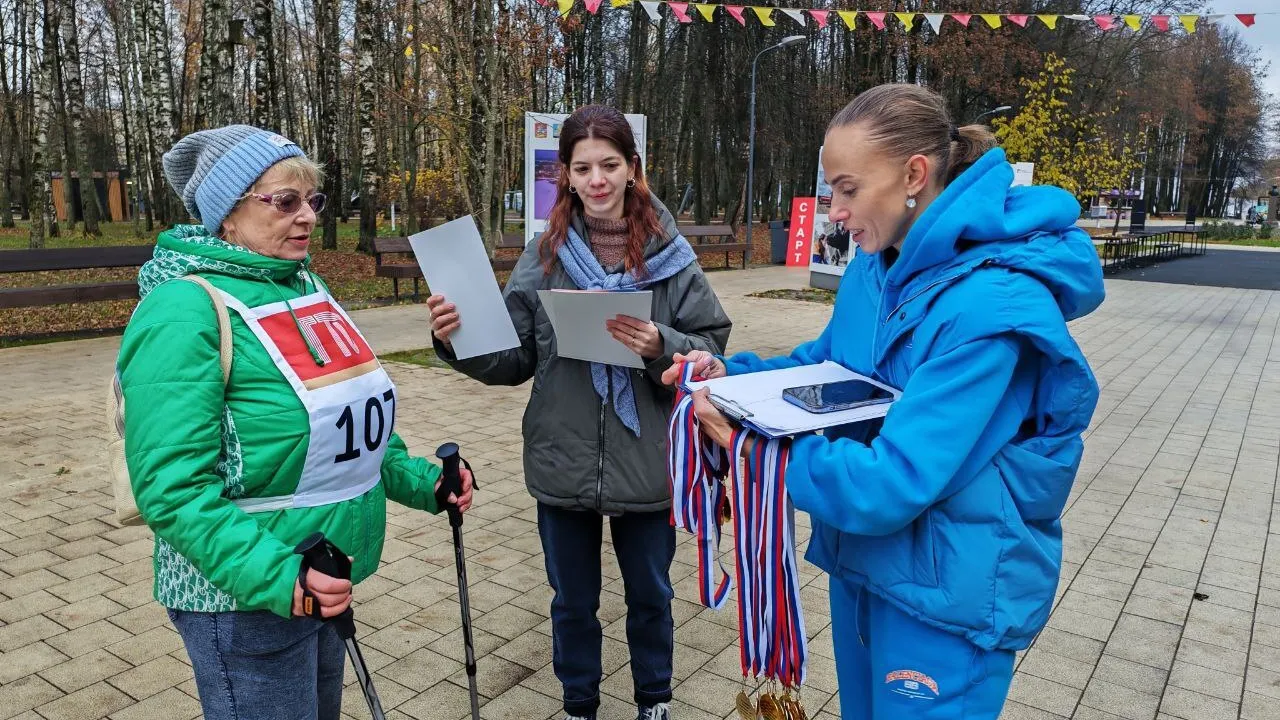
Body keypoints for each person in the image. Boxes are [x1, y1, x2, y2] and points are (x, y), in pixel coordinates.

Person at [664, 83, 1104, 719]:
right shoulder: (878, 265)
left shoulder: (991, 309)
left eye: (847, 188)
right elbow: (828, 368)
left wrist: (751, 451)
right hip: (870, 563)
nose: (833, 211)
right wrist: (727, 376)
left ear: (914, 175)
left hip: (946, 589)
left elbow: (893, 482)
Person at [116, 125, 474, 720]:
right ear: (226, 216)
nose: (306, 216)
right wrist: (280, 578)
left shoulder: (303, 285)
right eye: (285, 201)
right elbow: (171, 488)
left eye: (312, 200)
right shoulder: (183, 309)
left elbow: (349, 424)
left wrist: (423, 481)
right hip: (243, 597)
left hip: (319, 574)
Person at [428, 105, 731, 720]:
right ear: (563, 174)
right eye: (583, 167)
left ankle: (654, 700)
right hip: (563, 457)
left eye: (610, 165)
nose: (597, 180)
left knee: (650, 592)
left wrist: (661, 346)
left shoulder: (670, 255)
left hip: (648, 460)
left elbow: (713, 348)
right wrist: (455, 338)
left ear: (632, 170)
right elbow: (513, 357)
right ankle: (579, 704)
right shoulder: (546, 255)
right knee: (572, 600)